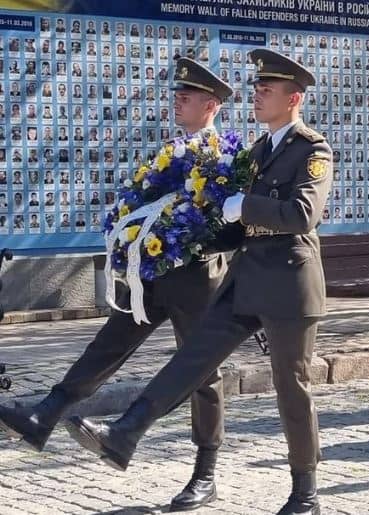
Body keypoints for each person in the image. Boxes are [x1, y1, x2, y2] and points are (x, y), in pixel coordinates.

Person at [64, 48, 332, 515]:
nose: (256, 95)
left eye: (266, 90)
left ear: (293, 98)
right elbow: (230, 229)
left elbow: (302, 214)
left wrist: (244, 207)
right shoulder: (258, 152)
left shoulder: (312, 149)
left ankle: (304, 491)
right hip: (247, 279)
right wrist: (170, 243)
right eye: (256, 88)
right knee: (192, 359)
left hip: (290, 282)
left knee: (292, 386)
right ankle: (125, 434)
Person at [0, 58, 241, 512]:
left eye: (186, 96)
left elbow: (226, 220)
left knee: (203, 375)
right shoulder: (171, 151)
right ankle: (42, 415)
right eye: (177, 93)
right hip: (150, 271)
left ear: (211, 105)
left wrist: (189, 233)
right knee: (108, 344)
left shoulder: (226, 156)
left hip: (196, 278)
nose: (177, 100)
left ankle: (205, 474)